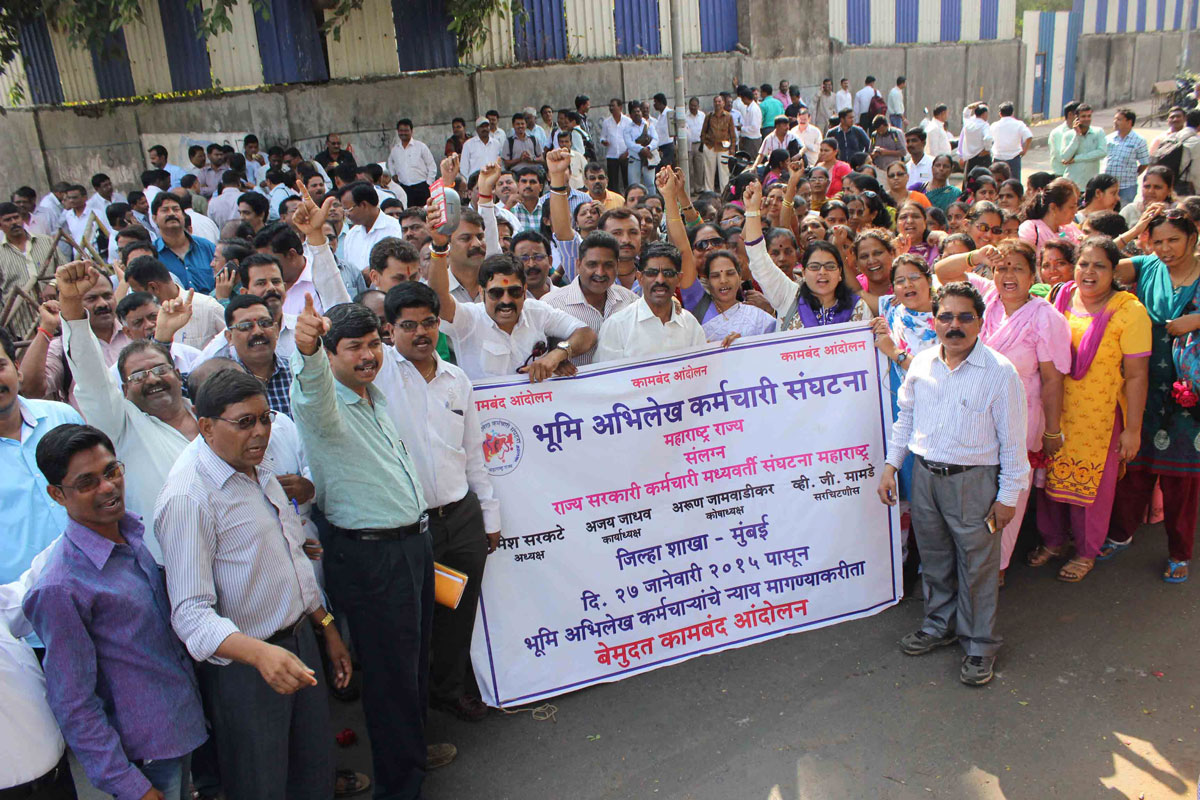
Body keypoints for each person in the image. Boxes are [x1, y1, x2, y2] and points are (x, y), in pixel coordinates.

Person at [156, 368, 348, 800]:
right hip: (247, 671)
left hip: (300, 646)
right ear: (206, 427)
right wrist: (260, 654)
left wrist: (327, 627)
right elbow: (190, 615)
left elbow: (293, 557)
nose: (261, 432)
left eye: (265, 418)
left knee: (314, 774)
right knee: (262, 784)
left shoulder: (257, 467)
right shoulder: (189, 498)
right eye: (245, 422)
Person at [23, 423, 207, 800]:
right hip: (146, 762)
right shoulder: (62, 586)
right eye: (87, 482)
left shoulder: (130, 536)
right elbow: (73, 703)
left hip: (183, 730)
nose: (108, 487)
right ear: (57, 494)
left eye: (111, 471)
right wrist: (131, 786)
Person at [878, 281, 1029, 687]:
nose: (954, 325)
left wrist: (1007, 496)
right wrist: (892, 466)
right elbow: (905, 418)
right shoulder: (923, 363)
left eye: (965, 317)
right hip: (926, 476)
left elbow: (1014, 443)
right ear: (935, 320)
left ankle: (980, 644)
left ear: (980, 322)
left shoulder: (1000, 373)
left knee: (978, 567)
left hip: (975, 484)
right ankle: (939, 624)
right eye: (946, 316)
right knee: (935, 557)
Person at [374, 282, 500, 722]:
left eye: (429, 322)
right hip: (407, 526)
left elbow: (474, 454)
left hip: (461, 517)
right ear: (389, 331)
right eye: (408, 325)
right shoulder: (377, 376)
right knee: (410, 622)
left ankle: (448, 691)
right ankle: (411, 709)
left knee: (458, 611)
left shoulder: (456, 379)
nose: (421, 333)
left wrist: (489, 516)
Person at [936, 240, 1073, 582]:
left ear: (1032, 274)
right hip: (971, 412)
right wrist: (976, 256)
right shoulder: (985, 300)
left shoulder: (1045, 316)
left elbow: (1053, 380)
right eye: (1001, 267)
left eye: (1017, 268)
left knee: (1009, 492)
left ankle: (995, 566)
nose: (1008, 275)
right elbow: (941, 272)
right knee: (974, 489)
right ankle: (970, 556)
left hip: (1020, 414)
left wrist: (1052, 430)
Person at [1021, 237, 1152, 582]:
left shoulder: (1128, 311)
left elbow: (1137, 375)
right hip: (1055, 410)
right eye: (1083, 264)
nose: (1089, 272)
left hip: (1100, 417)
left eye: (1100, 266)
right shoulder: (1058, 297)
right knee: (1048, 481)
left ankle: (1086, 550)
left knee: (1091, 490)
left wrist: (1133, 429)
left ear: (1114, 271)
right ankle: (1053, 541)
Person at [1106, 209, 1200, 583]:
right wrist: (1132, 231)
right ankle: (1121, 533)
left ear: (1192, 238)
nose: (1165, 248)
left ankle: (1180, 553)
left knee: (1182, 480)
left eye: (1173, 240)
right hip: (1142, 382)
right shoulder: (1145, 266)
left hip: (1190, 392)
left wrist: (1197, 320)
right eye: (1157, 240)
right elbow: (1098, 261)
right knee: (1136, 468)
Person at [594, 242, 707, 361]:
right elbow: (606, 378)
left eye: (668, 273)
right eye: (652, 273)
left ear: (679, 279)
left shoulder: (690, 324)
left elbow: (703, 370)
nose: (660, 280)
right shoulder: (617, 326)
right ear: (640, 278)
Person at [125, 256, 227, 349]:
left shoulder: (207, 307)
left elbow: (232, 343)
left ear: (153, 287)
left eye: (136, 292)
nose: (135, 297)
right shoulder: (145, 321)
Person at [696, 248, 777, 342]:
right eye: (715, 276)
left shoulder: (757, 317)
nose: (723, 281)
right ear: (708, 281)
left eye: (730, 274)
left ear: (740, 277)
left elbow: (777, 348)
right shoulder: (698, 310)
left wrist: (742, 344)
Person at [153, 193, 217, 293]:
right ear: (154, 218)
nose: (171, 214)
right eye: (165, 210)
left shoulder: (206, 247)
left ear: (183, 215)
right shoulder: (152, 254)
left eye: (176, 209)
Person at [340, 181, 404, 272]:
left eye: (348, 209)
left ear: (363, 205)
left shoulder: (395, 229)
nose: (346, 214)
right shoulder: (351, 235)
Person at [1018, 177, 1082, 258]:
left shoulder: (1070, 229)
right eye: (1071, 207)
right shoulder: (1031, 228)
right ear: (1053, 207)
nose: (1075, 211)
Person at [387, 118, 437, 209]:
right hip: (404, 188)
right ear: (398, 132)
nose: (403, 133)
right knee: (409, 214)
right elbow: (390, 162)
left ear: (411, 131)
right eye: (401, 131)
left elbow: (432, 166)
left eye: (406, 130)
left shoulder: (421, 147)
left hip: (422, 187)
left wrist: (428, 184)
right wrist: (393, 174)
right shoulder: (395, 149)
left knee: (425, 213)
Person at [1106, 107, 1150, 207]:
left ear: (1129, 122)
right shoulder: (1109, 138)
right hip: (1108, 186)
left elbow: (1144, 163)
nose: (1115, 122)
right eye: (1115, 119)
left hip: (1126, 187)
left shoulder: (1139, 141)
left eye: (1119, 119)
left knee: (1124, 212)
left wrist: (1134, 174)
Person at [1060, 104, 1107, 188]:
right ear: (1076, 117)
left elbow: (1102, 152)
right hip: (1072, 183)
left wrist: (1076, 159)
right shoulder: (1068, 135)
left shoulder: (1098, 132)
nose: (1087, 119)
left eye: (1089, 116)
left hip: (1090, 184)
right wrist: (1077, 135)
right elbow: (1066, 157)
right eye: (1083, 116)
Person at [700, 95, 735, 192]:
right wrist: (705, 142)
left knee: (724, 172)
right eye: (715, 102)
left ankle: (724, 194)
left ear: (723, 103)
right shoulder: (709, 116)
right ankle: (709, 193)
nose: (717, 104)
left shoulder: (728, 116)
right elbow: (703, 132)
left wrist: (732, 148)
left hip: (723, 148)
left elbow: (732, 134)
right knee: (709, 172)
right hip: (710, 146)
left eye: (719, 102)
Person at [989, 102, 1033, 181]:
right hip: (1014, 158)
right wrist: (1024, 150)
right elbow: (1029, 136)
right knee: (1014, 183)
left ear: (1000, 113)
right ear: (1012, 113)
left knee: (997, 182)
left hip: (998, 158)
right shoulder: (1019, 124)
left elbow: (988, 139)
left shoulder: (994, 125)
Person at [958, 102, 994, 173]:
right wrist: (987, 149)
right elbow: (988, 138)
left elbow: (965, 114)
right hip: (981, 157)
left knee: (970, 178)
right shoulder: (984, 125)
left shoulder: (967, 123)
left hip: (969, 158)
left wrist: (969, 107)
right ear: (984, 114)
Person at [1048, 101, 1080, 176]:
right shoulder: (1058, 133)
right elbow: (1061, 157)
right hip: (1062, 174)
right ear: (1070, 114)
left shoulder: (1085, 131)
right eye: (1080, 115)